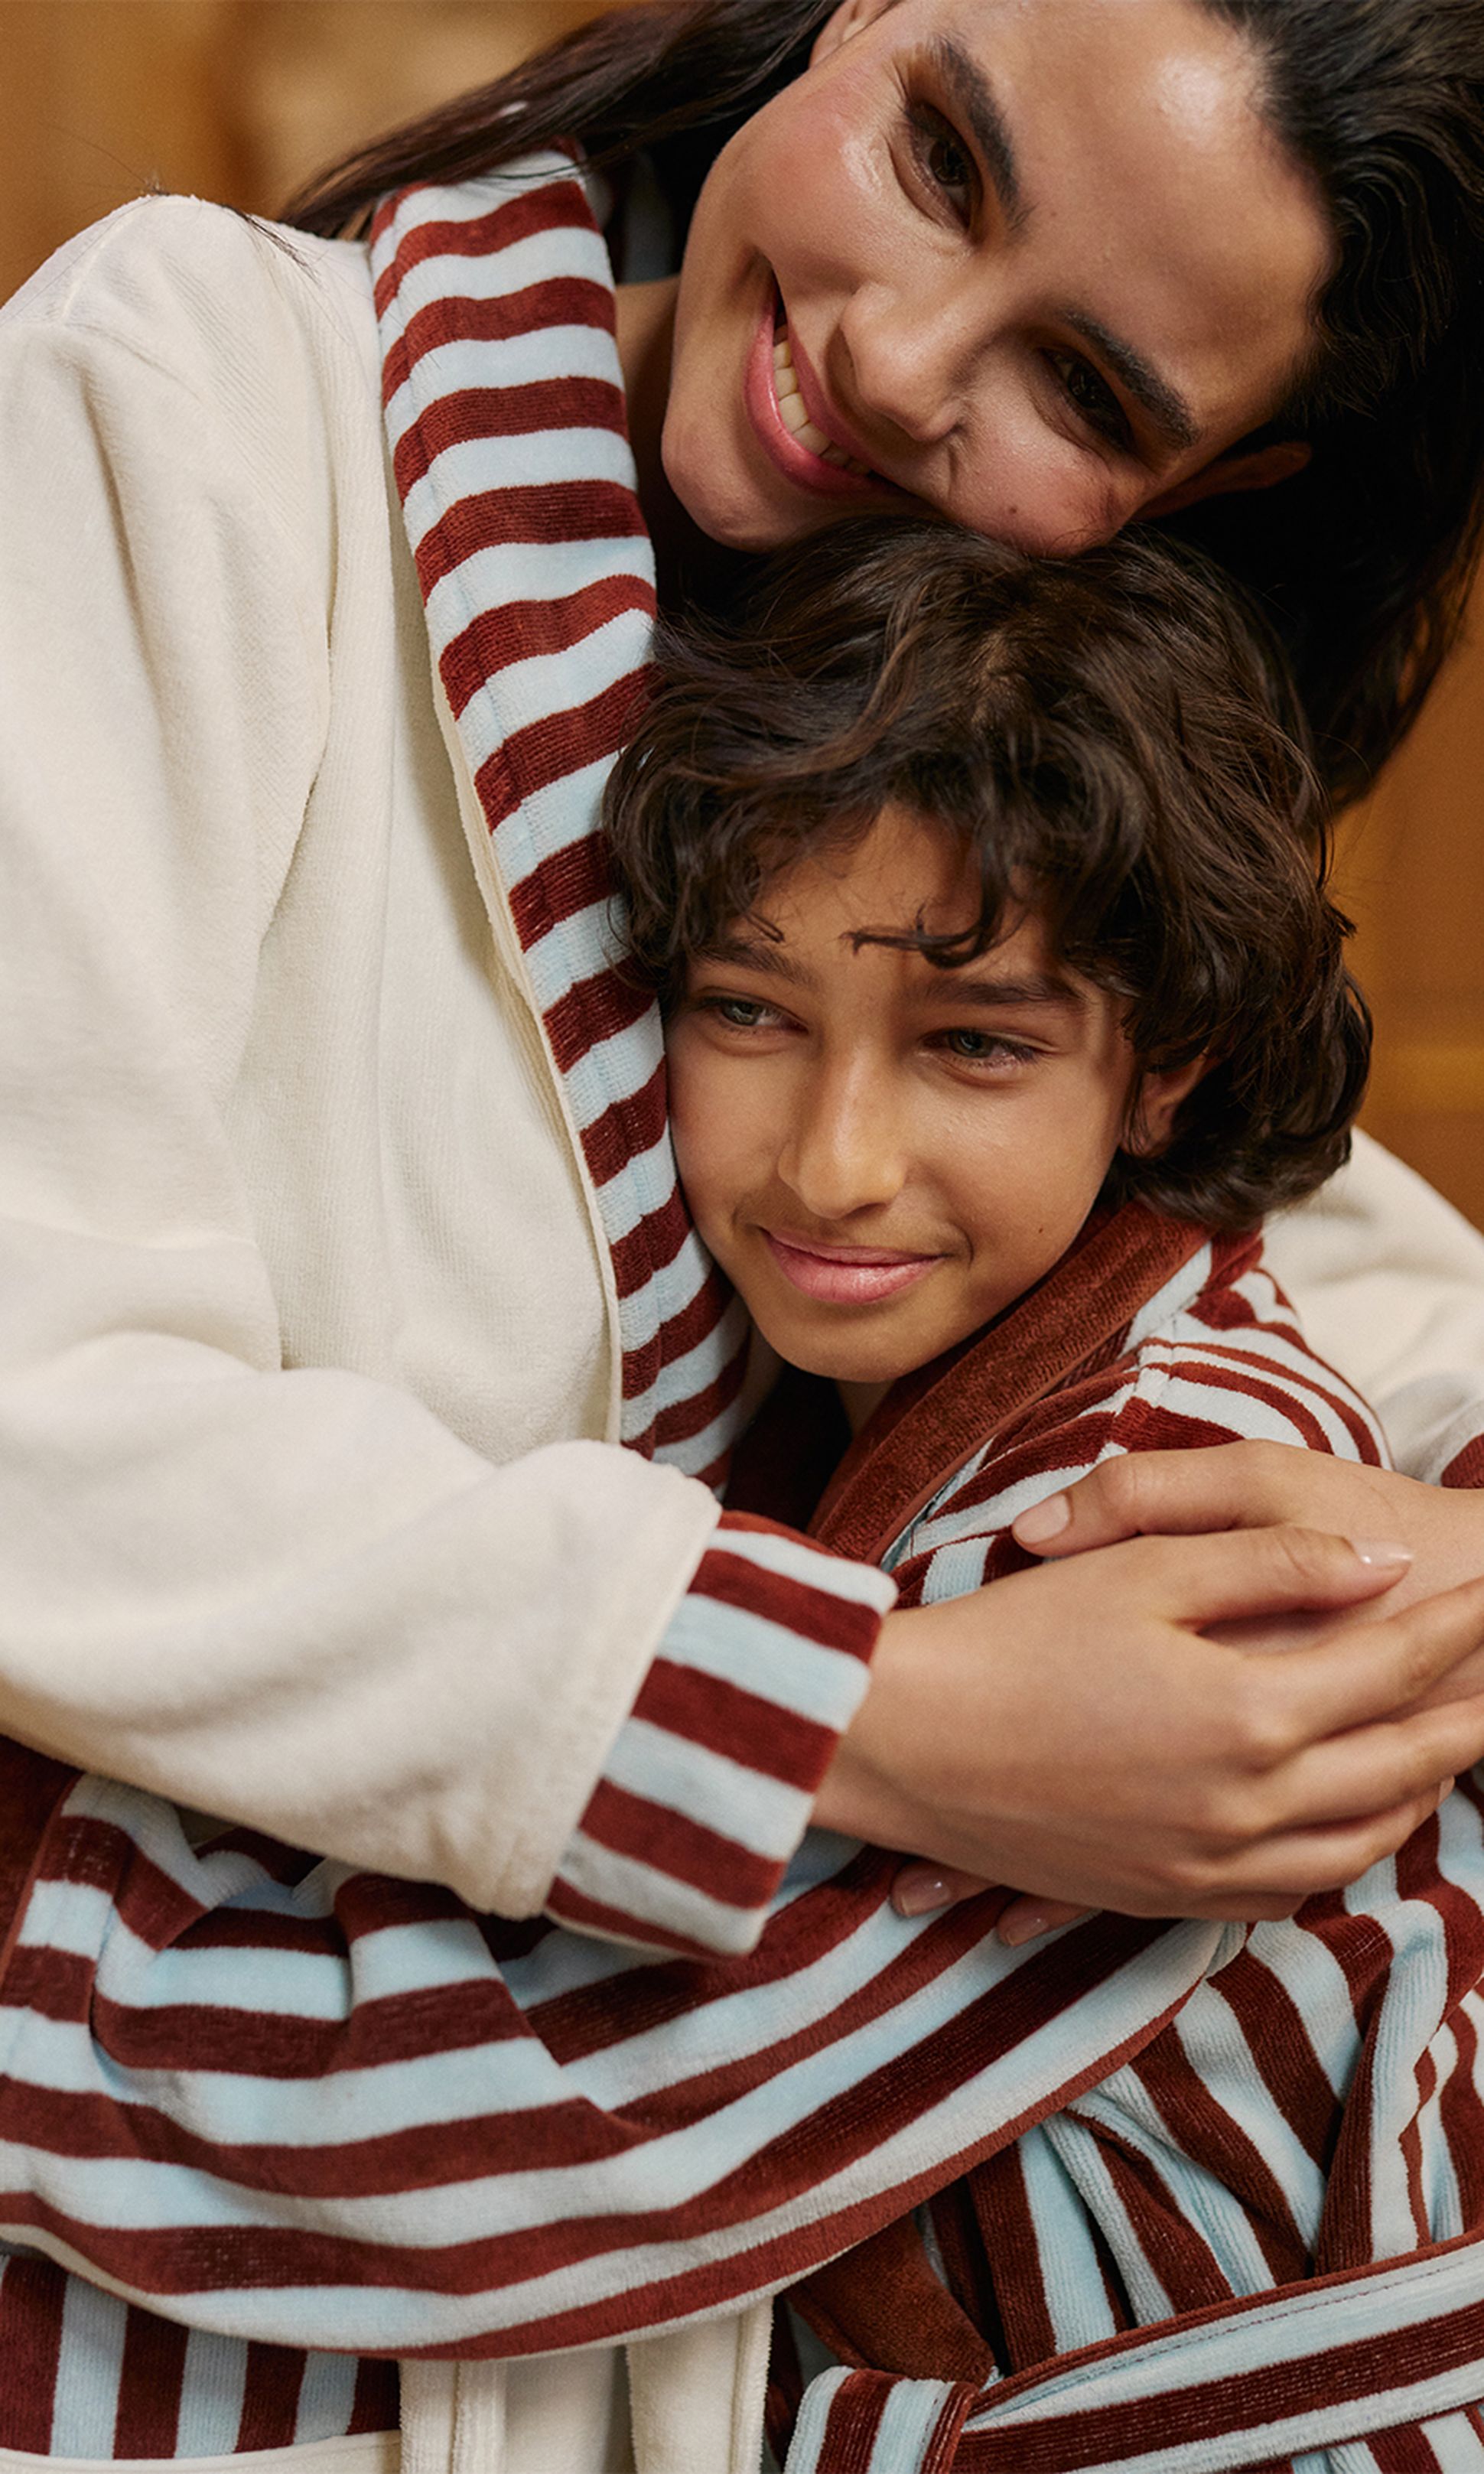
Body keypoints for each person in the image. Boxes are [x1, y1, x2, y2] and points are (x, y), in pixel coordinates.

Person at [4, 0, 1484, 2460]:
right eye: (937, 152)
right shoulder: (186, 399)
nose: (897, 359)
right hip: (180, 2293)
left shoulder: (938, 715)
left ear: (1212, 485)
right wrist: (875, 1717)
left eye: (1085, 392)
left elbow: (1305, 1229)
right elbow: (35, 1409)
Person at [607, 511, 1484, 2467]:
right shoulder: (932, 1395)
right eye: (748, 1009)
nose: (833, 1163)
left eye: (975, 1044)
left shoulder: (1125, 1514)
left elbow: (666, 2129)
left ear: (1163, 1067)